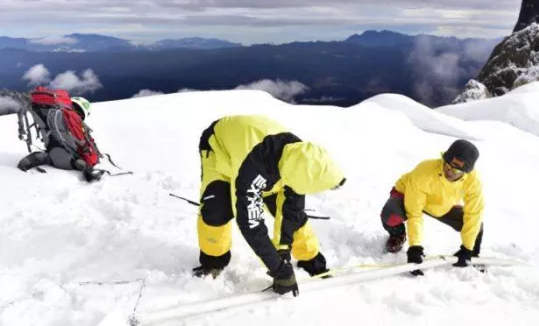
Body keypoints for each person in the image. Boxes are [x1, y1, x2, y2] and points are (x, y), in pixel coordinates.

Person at [193, 114, 346, 297]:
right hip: (219, 150)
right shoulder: (252, 170)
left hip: (264, 162)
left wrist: (282, 252)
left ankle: (310, 260)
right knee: (216, 209)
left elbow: (290, 213)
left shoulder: (302, 159)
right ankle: (213, 261)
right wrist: (279, 269)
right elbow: (251, 223)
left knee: (294, 217)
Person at [380, 139, 484, 273]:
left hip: (441, 204)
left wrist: (467, 248)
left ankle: (472, 254)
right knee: (390, 215)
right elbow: (414, 213)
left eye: (456, 171)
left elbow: (474, 214)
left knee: (477, 226)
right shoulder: (424, 171)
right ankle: (398, 235)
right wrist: (415, 248)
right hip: (408, 194)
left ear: (466, 172)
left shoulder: (473, 182)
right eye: (447, 166)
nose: (449, 172)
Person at [17, 93, 104, 183]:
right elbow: (83, 146)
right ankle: (82, 169)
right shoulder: (71, 116)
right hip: (69, 158)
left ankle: (44, 158)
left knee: (51, 154)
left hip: (51, 150)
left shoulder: (50, 110)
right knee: (82, 162)